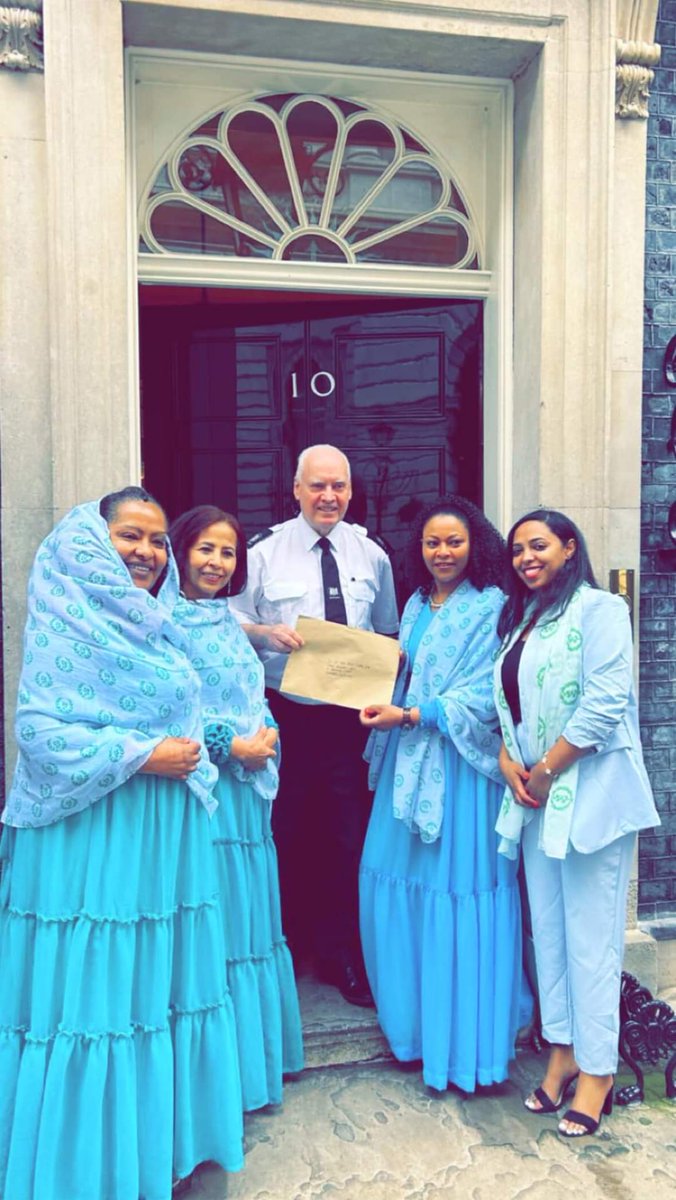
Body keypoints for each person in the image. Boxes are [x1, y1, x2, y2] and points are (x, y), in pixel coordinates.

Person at [0, 487, 244, 1200]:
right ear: (91, 544)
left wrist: (205, 745)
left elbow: (199, 712)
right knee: (98, 996)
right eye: (130, 536)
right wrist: (143, 755)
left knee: (156, 995)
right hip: (94, 841)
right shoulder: (64, 618)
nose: (147, 552)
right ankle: (90, 1171)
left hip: (162, 841)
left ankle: (158, 1152)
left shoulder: (163, 623)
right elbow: (41, 732)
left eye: (159, 539)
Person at [494, 509, 660, 1138]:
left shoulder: (599, 611)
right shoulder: (523, 620)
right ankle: (561, 1049)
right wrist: (511, 762)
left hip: (588, 798)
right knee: (553, 937)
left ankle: (599, 1070)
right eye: (517, 550)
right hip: (536, 804)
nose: (526, 558)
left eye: (538, 545)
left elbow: (605, 699)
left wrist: (548, 768)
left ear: (569, 547)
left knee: (593, 943)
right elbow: (506, 706)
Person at [358, 496, 523, 1091]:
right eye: (432, 543)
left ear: (475, 544)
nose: (443, 552)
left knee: (458, 896)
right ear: (419, 549)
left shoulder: (497, 606)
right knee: (388, 886)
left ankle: (465, 1051)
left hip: (461, 771)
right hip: (406, 762)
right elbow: (405, 670)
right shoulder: (413, 602)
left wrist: (416, 712)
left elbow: (490, 691)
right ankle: (413, 1032)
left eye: (454, 541)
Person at [229, 444, 399, 1006]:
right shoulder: (262, 554)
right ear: (296, 489)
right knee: (285, 831)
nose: (329, 497)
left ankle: (342, 953)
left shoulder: (372, 555)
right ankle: (286, 948)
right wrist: (263, 634)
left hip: (350, 723)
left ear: (352, 491)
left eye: (339, 487)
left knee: (348, 836)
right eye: (318, 486)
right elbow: (225, 623)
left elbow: (388, 631)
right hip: (285, 717)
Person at [169, 504, 304, 1112]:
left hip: (248, 796)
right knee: (216, 928)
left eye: (227, 553)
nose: (216, 563)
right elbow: (171, 708)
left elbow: (249, 690)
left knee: (250, 923)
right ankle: (218, 1083)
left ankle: (257, 1067)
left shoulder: (224, 617)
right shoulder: (161, 618)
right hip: (207, 797)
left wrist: (267, 733)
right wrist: (230, 745)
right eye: (205, 549)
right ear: (180, 550)